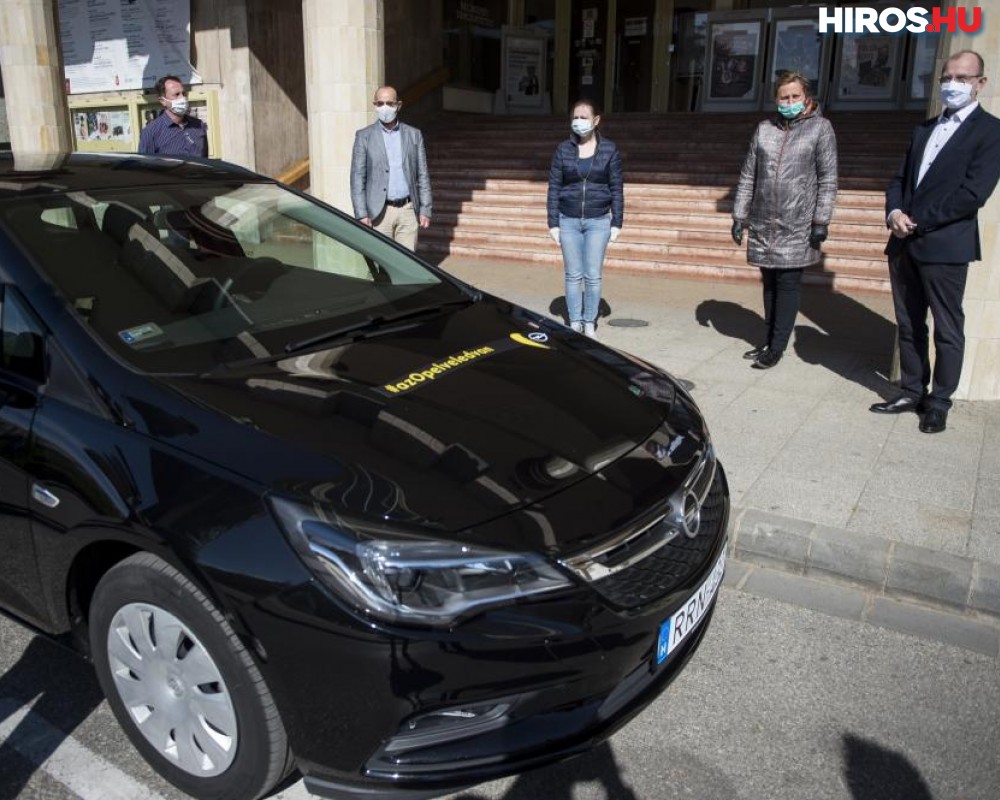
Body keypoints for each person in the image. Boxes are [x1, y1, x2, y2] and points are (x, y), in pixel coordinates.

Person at [872, 50, 1000, 434]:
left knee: (947, 328)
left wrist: (917, 221)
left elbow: (972, 194)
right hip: (904, 243)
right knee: (909, 323)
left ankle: (939, 401)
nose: (952, 84)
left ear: (980, 83)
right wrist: (894, 214)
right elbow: (898, 180)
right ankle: (912, 389)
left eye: (962, 78)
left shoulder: (990, 132)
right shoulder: (924, 129)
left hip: (945, 246)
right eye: (947, 77)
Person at [732, 71, 838, 369]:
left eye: (795, 96)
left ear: (806, 98)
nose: (789, 102)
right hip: (764, 221)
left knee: (788, 284)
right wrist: (739, 214)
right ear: (776, 99)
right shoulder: (764, 129)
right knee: (768, 283)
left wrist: (821, 220)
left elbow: (828, 179)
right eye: (784, 97)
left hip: (798, 222)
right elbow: (748, 174)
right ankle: (767, 340)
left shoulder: (821, 129)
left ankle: (777, 347)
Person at [547, 99, 623, 339]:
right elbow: (554, 186)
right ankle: (575, 321)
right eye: (575, 117)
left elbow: (616, 187)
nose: (578, 122)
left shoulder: (609, 150)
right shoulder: (563, 149)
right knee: (572, 275)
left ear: (596, 120)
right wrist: (553, 223)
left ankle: (590, 321)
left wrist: (617, 221)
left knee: (592, 275)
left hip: (598, 221)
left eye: (583, 117)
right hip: (568, 220)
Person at [350, 85, 432, 250]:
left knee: (407, 264)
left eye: (389, 103)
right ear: (375, 105)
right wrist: (361, 213)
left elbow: (422, 174)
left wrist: (426, 208)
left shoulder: (413, 135)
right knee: (382, 263)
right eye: (380, 103)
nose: (384, 107)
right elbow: (357, 178)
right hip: (379, 213)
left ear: (398, 105)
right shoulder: (364, 136)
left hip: (408, 211)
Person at [137, 75, 208, 157]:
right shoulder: (150, 132)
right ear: (163, 101)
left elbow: (205, 161)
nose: (182, 98)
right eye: (176, 94)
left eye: (184, 93)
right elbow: (144, 167)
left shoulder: (199, 125)